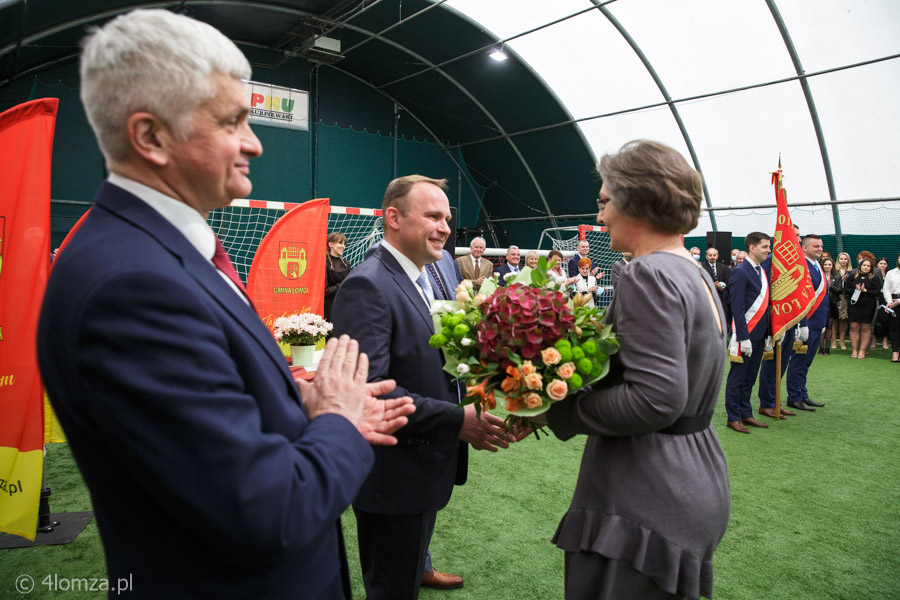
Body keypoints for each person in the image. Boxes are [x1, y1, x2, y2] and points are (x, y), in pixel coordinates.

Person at [35, 10, 415, 599]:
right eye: (232, 121)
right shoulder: (132, 286)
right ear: (150, 136)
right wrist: (339, 418)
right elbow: (267, 515)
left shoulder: (168, 251)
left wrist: (301, 402)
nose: (255, 143)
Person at [540, 140, 730, 600]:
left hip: (646, 487)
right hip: (693, 470)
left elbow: (656, 399)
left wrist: (558, 410)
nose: (600, 217)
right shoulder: (694, 272)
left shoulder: (648, 273)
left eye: (604, 201)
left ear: (636, 201)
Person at [332, 175, 518, 600]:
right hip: (392, 476)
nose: (446, 227)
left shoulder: (425, 276)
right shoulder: (367, 284)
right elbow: (370, 391)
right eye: (433, 216)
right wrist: (456, 421)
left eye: (447, 218)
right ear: (393, 218)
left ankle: (422, 567)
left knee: (406, 572)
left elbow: (435, 359)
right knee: (392, 588)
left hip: (422, 465)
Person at [725, 232, 786, 426]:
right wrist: (743, 336)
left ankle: (745, 413)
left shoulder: (761, 271)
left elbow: (765, 305)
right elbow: (737, 307)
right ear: (753, 248)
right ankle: (733, 417)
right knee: (738, 377)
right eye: (765, 247)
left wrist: (769, 333)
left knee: (750, 377)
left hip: (760, 334)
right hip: (746, 334)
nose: (769, 250)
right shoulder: (740, 271)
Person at [785, 235, 829, 409]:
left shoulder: (817, 265)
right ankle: (794, 396)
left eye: (821, 246)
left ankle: (802, 393)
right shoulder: (802, 266)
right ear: (804, 248)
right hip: (805, 322)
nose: (819, 249)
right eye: (815, 246)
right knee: (799, 360)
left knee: (807, 360)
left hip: (817, 322)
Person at [845, 258, 883, 359]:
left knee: (865, 328)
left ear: (871, 268)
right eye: (864, 265)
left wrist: (865, 290)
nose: (865, 267)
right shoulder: (852, 277)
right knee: (854, 327)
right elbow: (846, 290)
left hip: (868, 306)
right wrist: (856, 289)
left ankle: (862, 350)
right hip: (853, 306)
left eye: (868, 266)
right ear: (860, 266)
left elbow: (878, 292)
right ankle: (854, 349)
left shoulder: (874, 278)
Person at [324, 231, 351, 321]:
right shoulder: (324, 263)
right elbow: (325, 292)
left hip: (345, 306)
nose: (343, 246)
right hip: (329, 308)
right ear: (331, 244)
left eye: (344, 244)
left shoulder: (347, 264)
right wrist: (342, 285)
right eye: (340, 243)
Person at [832, 251, 853, 349]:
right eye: (841, 259)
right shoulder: (834, 271)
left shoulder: (852, 272)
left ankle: (842, 341)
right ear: (838, 260)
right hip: (835, 297)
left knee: (844, 320)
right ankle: (834, 341)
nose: (843, 261)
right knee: (834, 320)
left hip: (846, 298)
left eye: (845, 259)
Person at [882, 253, 900, 363]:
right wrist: (889, 302)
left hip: (897, 302)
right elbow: (886, 289)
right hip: (893, 303)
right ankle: (895, 352)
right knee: (894, 328)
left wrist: (899, 301)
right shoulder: (891, 273)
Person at [820, 256, 837, 355]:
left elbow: (839, 291)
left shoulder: (836, 277)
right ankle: (821, 348)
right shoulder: (819, 276)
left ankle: (827, 348)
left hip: (832, 304)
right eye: (825, 264)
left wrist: (831, 286)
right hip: (821, 304)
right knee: (822, 325)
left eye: (829, 264)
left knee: (829, 326)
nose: (827, 266)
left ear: (832, 266)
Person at [875, 257, 891, 349]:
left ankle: (885, 340)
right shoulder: (873, 275)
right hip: (875, 300)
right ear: (877, 265)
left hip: (886, 301)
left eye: (884, 264)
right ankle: (873, 340)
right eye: (881, 263)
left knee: (885, 319)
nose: (883, 265)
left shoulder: (889, 275)